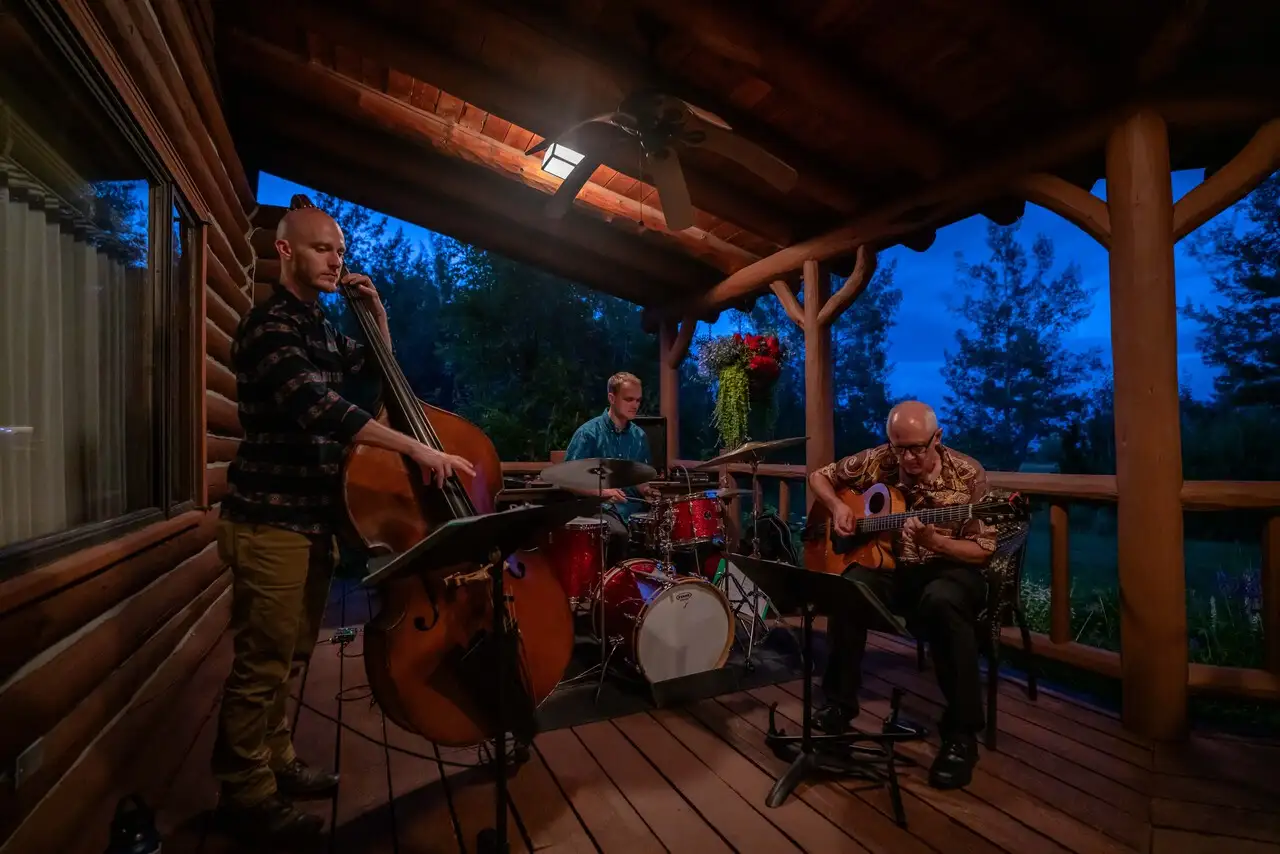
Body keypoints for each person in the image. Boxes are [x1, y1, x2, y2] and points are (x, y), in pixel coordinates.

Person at [213, 203, 475, 843]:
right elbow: (320, 407)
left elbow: (379, 373)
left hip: (311, 522)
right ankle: (244, 794)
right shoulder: (270, 326)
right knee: (263, 661)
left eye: (340, 249)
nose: (337, 259)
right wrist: (415, 448)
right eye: (323, 249)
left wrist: (379, 316)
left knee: (295, 653)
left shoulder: (321, 327)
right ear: (285, 253)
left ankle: (275, 763)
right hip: (269, 520)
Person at [808, 400, 995, 790]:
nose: (907, 457)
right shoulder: (879, 460)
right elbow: (819, 476)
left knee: (942, 602)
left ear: (937, 438)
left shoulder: (968, 475)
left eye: (917, 448)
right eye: (899, 448)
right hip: (894, 568)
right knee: (850, 586)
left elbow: (982, 551)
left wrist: (936, 543)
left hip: (952, 570)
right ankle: (838, 707)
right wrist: (839, 505)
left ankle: (961, 736)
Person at [562, 372, 658, 562]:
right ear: (611, 398)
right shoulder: (588, 434)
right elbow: (567, 480)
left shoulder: (639, 436)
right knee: (618, 534)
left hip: (633, 509)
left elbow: (638, 478)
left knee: (665, 531)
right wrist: (604, 492)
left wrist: (647, 490)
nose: (635, 405)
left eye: (638, 400)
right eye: (629, 399)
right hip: (600, 509)